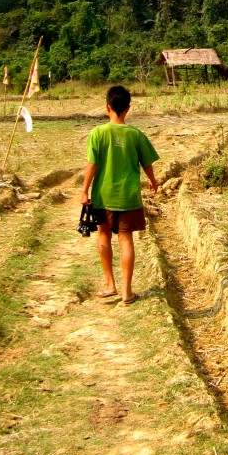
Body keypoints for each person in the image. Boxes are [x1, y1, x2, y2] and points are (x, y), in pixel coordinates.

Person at [81, 85, 159, 304]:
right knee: (126, 240)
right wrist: (153, 182)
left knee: (103, 235)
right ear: (128, 108)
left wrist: (84, 190)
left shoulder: (97, 133)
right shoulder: (135, 134)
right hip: (128, 196)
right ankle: (127, 292)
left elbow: (92, 165)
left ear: (107, 107)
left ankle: (110, 284)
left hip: (103, 195)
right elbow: (147, 164)